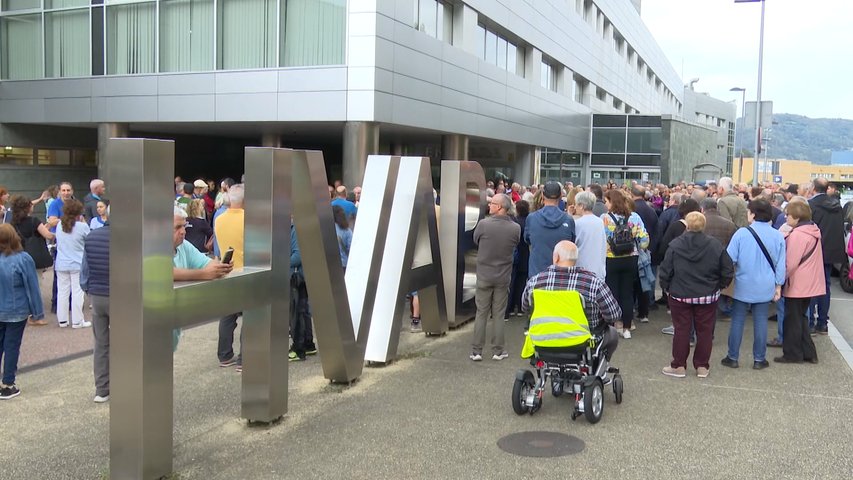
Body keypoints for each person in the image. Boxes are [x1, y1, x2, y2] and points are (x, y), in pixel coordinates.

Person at [659, 212, 734, 378]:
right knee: (705, 331)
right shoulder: (715, 245)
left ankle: (678, 365)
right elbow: (727, 269)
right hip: (707, 294)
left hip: (680, 294)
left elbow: (666, 270)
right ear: (703, 226)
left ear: (687, 225)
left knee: (682, 330)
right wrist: (719, 286)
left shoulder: (676, 244)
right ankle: (702, 366)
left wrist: (667, 288)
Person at [520, 241, 621, 362]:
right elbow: (614, 315)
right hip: (581, 343)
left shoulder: (534, 282)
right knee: (613, 334)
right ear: (575, 259)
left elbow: (525, 308)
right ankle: (598, 367)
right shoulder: (594, 283)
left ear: (556, 257)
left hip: (542, 340)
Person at [722, 199, 786, 370]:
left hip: (743, 283)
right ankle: (759, 359)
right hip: (766, 284)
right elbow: (781, 265)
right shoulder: (778, 235)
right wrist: (778, 286)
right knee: (761, 321)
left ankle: (732, 356)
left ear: (753, 214)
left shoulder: (742, 233)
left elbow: (729, 259)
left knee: (737, 320)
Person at [173, 206, 232, 350]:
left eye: (184, 226)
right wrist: (203, 274)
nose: (183, 231)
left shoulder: (184, 246)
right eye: (177, 227)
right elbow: (162, 271)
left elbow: (206, 263)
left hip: (173, 320)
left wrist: (219, 267)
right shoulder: (150, 247)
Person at [470, 194, 520, 361]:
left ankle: (476, 350)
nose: (489, 205)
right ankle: (498, 350)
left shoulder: (483, 225)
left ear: (500, 207)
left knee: (481, 313)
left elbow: (476, 240)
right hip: (503, 276)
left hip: (484, 274)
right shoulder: (515, 228)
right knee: (498, 314)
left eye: (492, 203)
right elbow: (515, 244)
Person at [0, 224, 44, 400]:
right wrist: (37, 313)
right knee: (11, 346)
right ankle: (8, 384)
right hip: (16, 309)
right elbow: (32, 288)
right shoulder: (23, 259)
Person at [774, 202, 822, 364]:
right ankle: (809, 352)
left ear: (797, 217)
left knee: (792, 320)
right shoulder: (813, 231)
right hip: (810, 282)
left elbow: (790, 263)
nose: (786, 217)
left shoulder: (798, 235)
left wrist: (779, 280)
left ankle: (792, 354)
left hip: (797, 283)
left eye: (788, 214)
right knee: (800, 318)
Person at [602, 189, 649, 338]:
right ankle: (627, 327)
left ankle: (612, 326)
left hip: (611, 258)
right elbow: (644, 240)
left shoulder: (605, 218)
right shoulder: (634, 217)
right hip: (630, 258)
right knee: (627, 293)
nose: (605, 204)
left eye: (606, 201)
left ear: (611, 202)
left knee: (612, 293)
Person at [807, 178, 846, 335]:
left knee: (810, 287)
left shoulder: (811, 205)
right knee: (825, 286)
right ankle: (822, 323)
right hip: (830, 250)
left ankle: (810, 323)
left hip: (814, 250)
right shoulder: (837, 206)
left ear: (814, 188)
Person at [80, 209, 111, 402]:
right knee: (127, 343)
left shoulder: (91, 236)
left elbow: (85, 268)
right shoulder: (132, 238)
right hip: (123, 295)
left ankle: (102, 389)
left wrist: (88, 290)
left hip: (97, 295)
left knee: (101, 344)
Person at [214, 185, 244, 369]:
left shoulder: (219, 219)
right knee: (250, 315)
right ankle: (245, 358)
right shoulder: (249, 219)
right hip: (246, 271)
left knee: (227, 316)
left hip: (227, 271)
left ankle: (224, 355)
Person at [524, 181, 575, 278]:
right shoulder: (568, 220)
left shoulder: (532, 218)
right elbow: (572, 242)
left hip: (537, 274)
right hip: (561, 276)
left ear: (542, 195)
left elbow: (527, 239)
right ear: (560, 196)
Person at [55, 199, 91, 329]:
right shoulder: (82, 226)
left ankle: (62, 320)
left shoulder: (59, 225)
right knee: (77, 292)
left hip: (61, 263)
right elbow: (90, 240)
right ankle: (77, 321)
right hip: (77, 262)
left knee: (62, 292)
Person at [505, 200, 530, 318]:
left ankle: (509, 308)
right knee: (521, 283)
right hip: (525, 256)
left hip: (514, 255)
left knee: (511, 282)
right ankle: (520, 307)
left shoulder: (514, 223)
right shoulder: (528, 223)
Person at [573, 191, 606, 280]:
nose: (574, 207)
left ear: (581, 206)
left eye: (576, 204)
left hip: (582, 270)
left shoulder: (577, 223)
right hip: (598, 269)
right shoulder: (600, 222)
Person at [333, 205, 352, 271]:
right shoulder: (347, 230)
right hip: (344, 264)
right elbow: (350, 248)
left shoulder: (328, 229)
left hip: (333, 265)